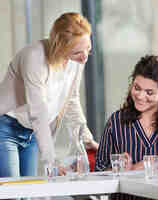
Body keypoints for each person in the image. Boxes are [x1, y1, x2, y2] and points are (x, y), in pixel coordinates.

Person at [0, 12, 98, 178]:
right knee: (13, 192)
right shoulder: (34, 57)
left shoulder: (77, 60)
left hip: (31, 133)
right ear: (60, 47)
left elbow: (71, 100)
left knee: (29, 193)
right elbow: (37, 112)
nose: (84, 58)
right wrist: (51, 161)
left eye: (88, 49)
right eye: (77, 52)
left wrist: (86, 139)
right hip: (6, 128)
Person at [95, 55, 158, 200]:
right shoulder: (116, 121)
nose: (140, 96)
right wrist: (117, 169)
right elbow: (99, 168)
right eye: (137, 88)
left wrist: (157, 163)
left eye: (149, 92)